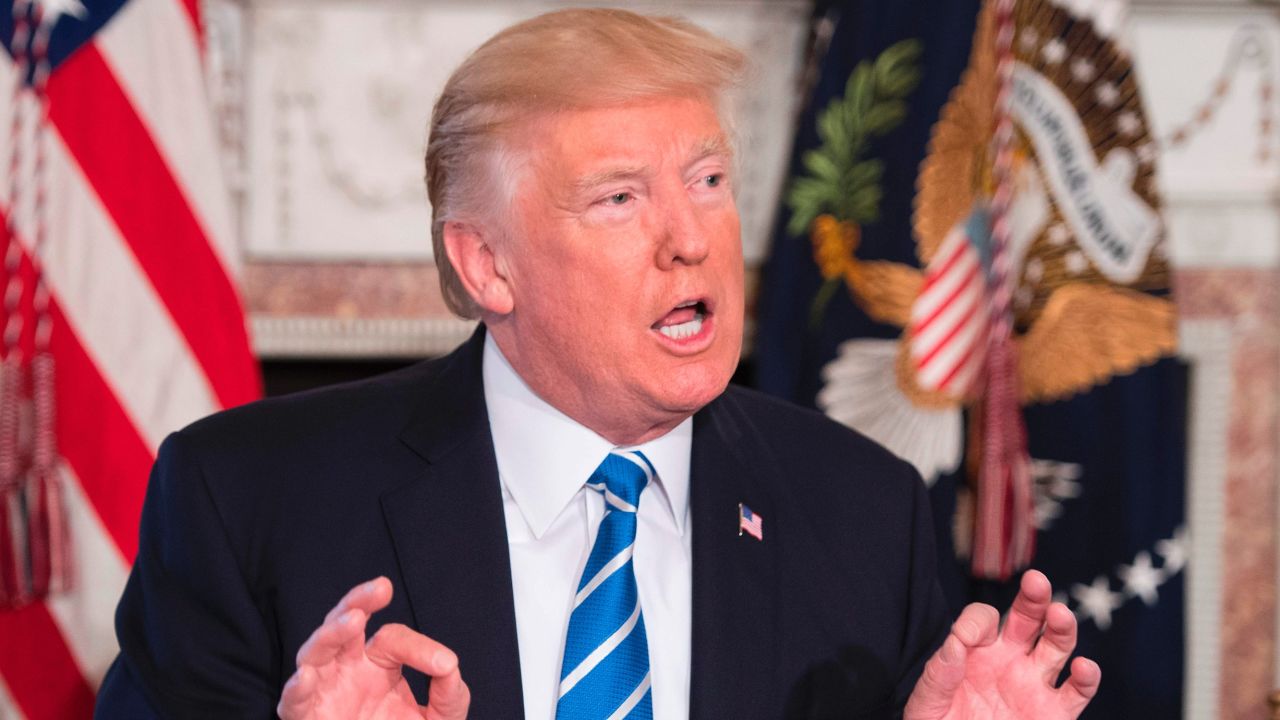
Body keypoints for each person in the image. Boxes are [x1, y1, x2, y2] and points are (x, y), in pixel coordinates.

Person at [95, 8, 1099, 720]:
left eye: (706, 180)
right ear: (487, 264)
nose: (689, 238)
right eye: (619, 198)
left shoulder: (861, 510)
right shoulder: (250, 496)